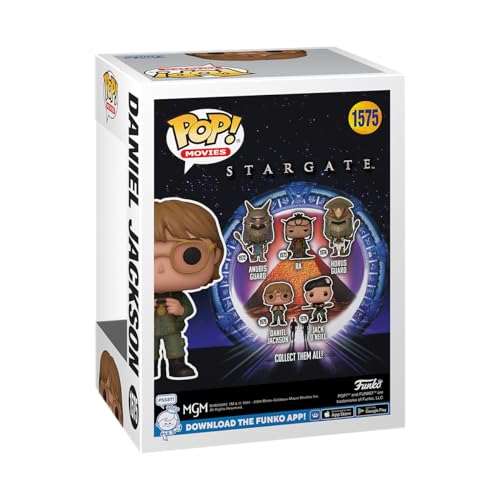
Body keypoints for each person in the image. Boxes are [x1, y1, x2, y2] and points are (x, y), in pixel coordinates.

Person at [154, 198, 225, 379]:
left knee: (175, 346)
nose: (160, 268)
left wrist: (180, 310)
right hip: (149, 331)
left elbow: (189, 309)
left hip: (173, 329)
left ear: (215, 256)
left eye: (189, 255)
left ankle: (177, 364)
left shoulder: (176, 295)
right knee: (149, 348)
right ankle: (150, 366)